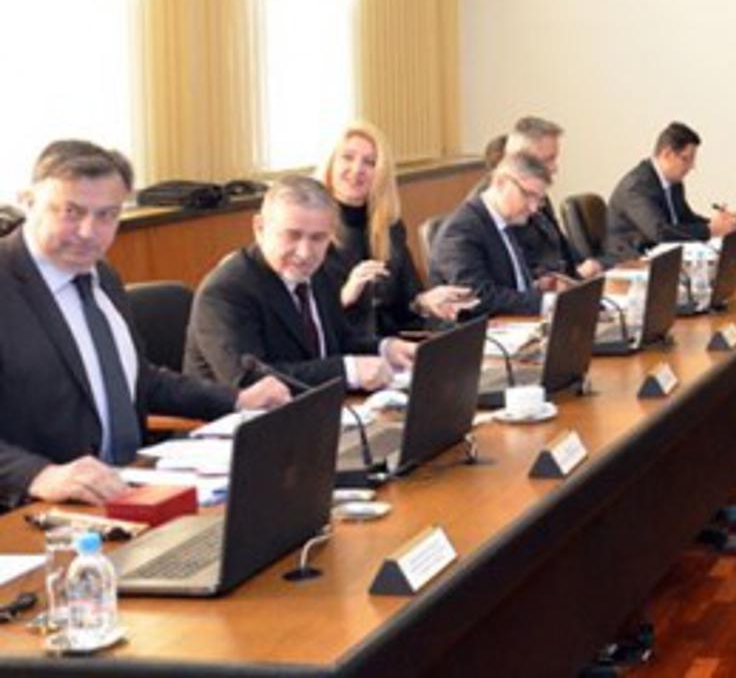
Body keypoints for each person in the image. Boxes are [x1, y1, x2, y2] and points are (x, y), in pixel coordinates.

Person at [1, 141, 288, 508]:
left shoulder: (101, 274)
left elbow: (136, 379)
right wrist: (38, 475)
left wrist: (236, 400)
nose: (89, 231)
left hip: (127, 490)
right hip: (32, 507)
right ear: (28, 202)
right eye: (71, 212)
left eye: (107, 215)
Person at [186, 176, 416, 391]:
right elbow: (250, 380)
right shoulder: (226, 291)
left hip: (318, 406)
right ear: (259, 229)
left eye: (318, 238)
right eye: (292, 235)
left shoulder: (321, 271)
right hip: (240, 418)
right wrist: (348, 370)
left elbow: (338, 342)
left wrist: (384, 349)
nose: (305, 253)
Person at [317, 122, 471, 338]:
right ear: (331, 164)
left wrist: (425, 302)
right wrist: (345, 297)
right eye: (348, 157)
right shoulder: (311, 229)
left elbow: (406, 303)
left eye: (370, 162)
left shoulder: (389, 227)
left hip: (393, 346)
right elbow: (306, 321)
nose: (357, 169)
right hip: (343, 349)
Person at [431, 153, 564, 317]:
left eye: (539, 199)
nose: (534, 208)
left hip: (517, 322)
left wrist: (535, 284)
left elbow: (509, 283)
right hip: (482, 328)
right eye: (528, 195)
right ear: (500, 183)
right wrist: (546, 303)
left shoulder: (511, 220)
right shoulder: (461, 230)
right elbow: (477, 297)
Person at [606, 123, 736, 262]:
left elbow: (686, 218)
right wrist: (709, 230)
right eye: (686, 159)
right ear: (667, 154)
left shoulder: (674, 183)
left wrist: (719, 223)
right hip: (628, 261)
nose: (692, 166)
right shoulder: (636, 187)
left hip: (661, 257)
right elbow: (659, 232)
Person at [501, 116, 602, 281]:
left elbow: (560, 246)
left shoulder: (540, 195)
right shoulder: (502, 207)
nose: (555, 168)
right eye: (548, 159)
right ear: (519, 159)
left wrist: (579, 272)